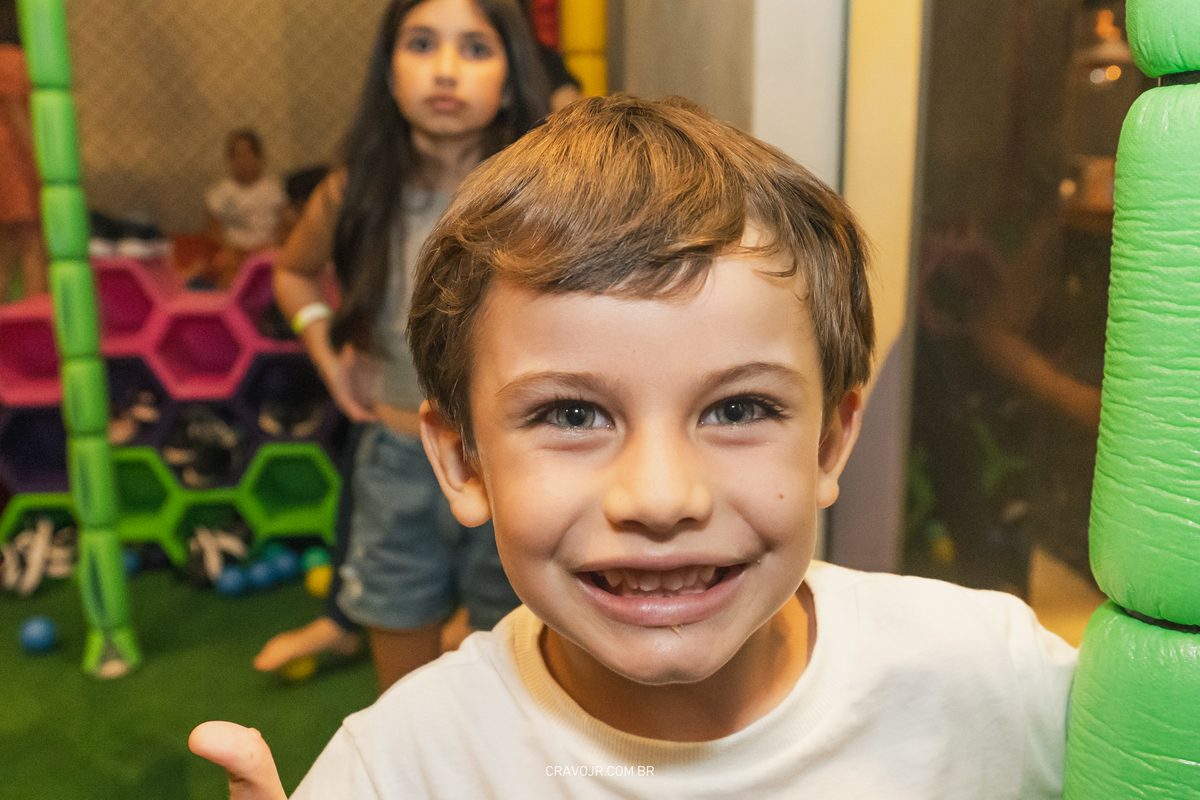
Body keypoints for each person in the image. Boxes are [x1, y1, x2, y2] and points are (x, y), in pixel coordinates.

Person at [192, 95, 1077, 799]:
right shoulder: (402, 769)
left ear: (829, 443)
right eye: (573, 416)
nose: (660, 497)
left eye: (739, 408)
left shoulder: (995, 678)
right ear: (462, 462)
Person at [254, 0, 552, 691]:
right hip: (394, 460)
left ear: (511, 80)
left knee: (520, 666)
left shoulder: (538, 194)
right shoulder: (353, 190)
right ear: (389, 74)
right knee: (402, 678)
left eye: (475, 48)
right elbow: (293, 273)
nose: (446, 69)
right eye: (421, 44)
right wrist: (325, 349)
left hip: (516, 467)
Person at [195, 128, 286, 289]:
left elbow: (284, 227)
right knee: (225, 267)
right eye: (237, 156)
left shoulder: (274, 191)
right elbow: (212, 230)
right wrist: (230, 247)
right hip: (234, 253)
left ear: (258, 157)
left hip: (267, 250)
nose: (242, 162)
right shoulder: (220, 193)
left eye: (246, 155)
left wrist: (268, 245)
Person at [0, 0, 48, 302]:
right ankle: (35, 312)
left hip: (6, 156)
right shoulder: (12, 58)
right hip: (14, 157)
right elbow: (18, 114)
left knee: (8, 243)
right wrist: (42, 159)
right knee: (32, 238)